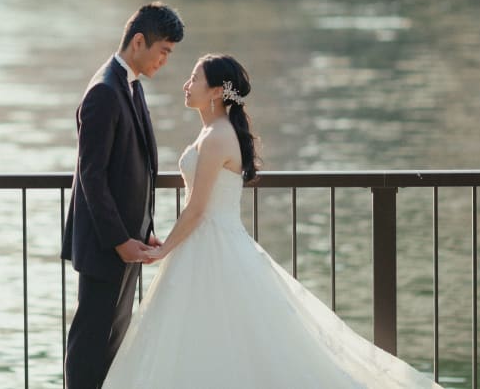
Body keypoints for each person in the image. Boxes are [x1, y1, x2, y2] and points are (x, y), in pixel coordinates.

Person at [101, 54, 444, 388]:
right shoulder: (214, 132)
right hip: (207, 244)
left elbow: (197, 209)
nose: (186, 85)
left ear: (217, 92)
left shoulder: (217, 137)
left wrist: (161, 251)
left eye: (195, 79)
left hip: (212, 245)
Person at [61, 2, 185, 389]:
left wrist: (142, 230)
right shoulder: (104, 90)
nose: (165, 60)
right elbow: (91, 175)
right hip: (106, 247)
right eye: (162, 50)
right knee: (91, 347)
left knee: (111, 346)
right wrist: (118, 240)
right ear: (138, 41)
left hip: (127, 243)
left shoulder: (128, 84)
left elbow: (134, 168)